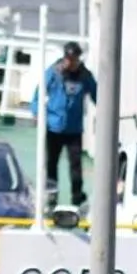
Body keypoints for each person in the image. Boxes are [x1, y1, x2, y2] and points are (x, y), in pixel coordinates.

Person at [34, 41, 97, 206]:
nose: (71, 63)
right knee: (51, 163)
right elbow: (39, 94)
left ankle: (77, 196)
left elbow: (97, 95)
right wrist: (37, 113)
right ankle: (52, 195)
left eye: (74, 59)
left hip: (74, 130)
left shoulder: (85, 76)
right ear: (64, 58)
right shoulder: (53, 73)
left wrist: (107, 112)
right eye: (69, 59)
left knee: (76, 165)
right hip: (54, 127)